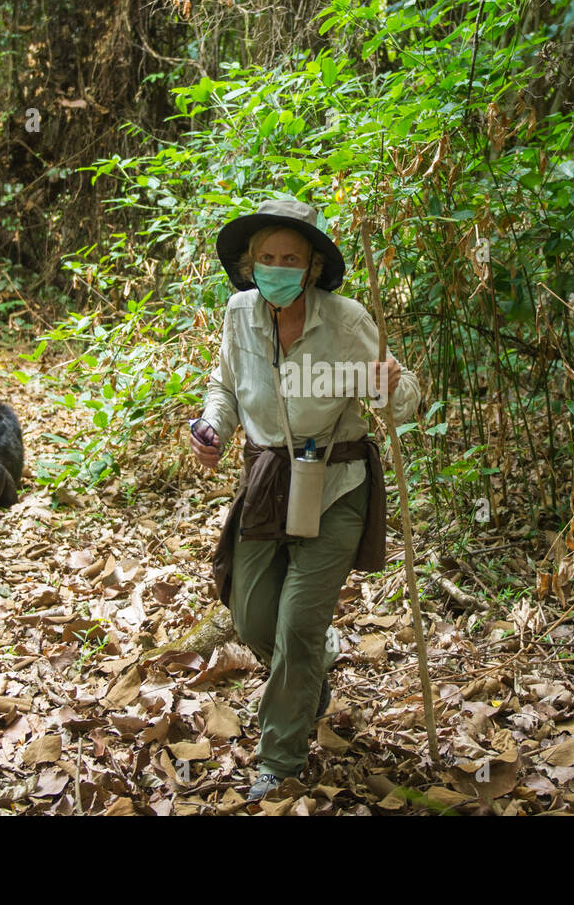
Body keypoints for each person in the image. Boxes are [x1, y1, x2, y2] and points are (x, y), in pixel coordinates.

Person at [188, 198, 420, 801]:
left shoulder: (345, 320)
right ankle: (314, 667)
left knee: (295, 626)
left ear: (312, 266)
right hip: (267, 478)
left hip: (336, 482)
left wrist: (391, 387)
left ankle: (280, 760)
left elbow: (405, 402)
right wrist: (212, 424)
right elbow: (225, 383)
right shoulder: (240, 313)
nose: (277, 267)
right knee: (251, 614)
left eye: (291, 257)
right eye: (267, 257)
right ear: (249, 264)